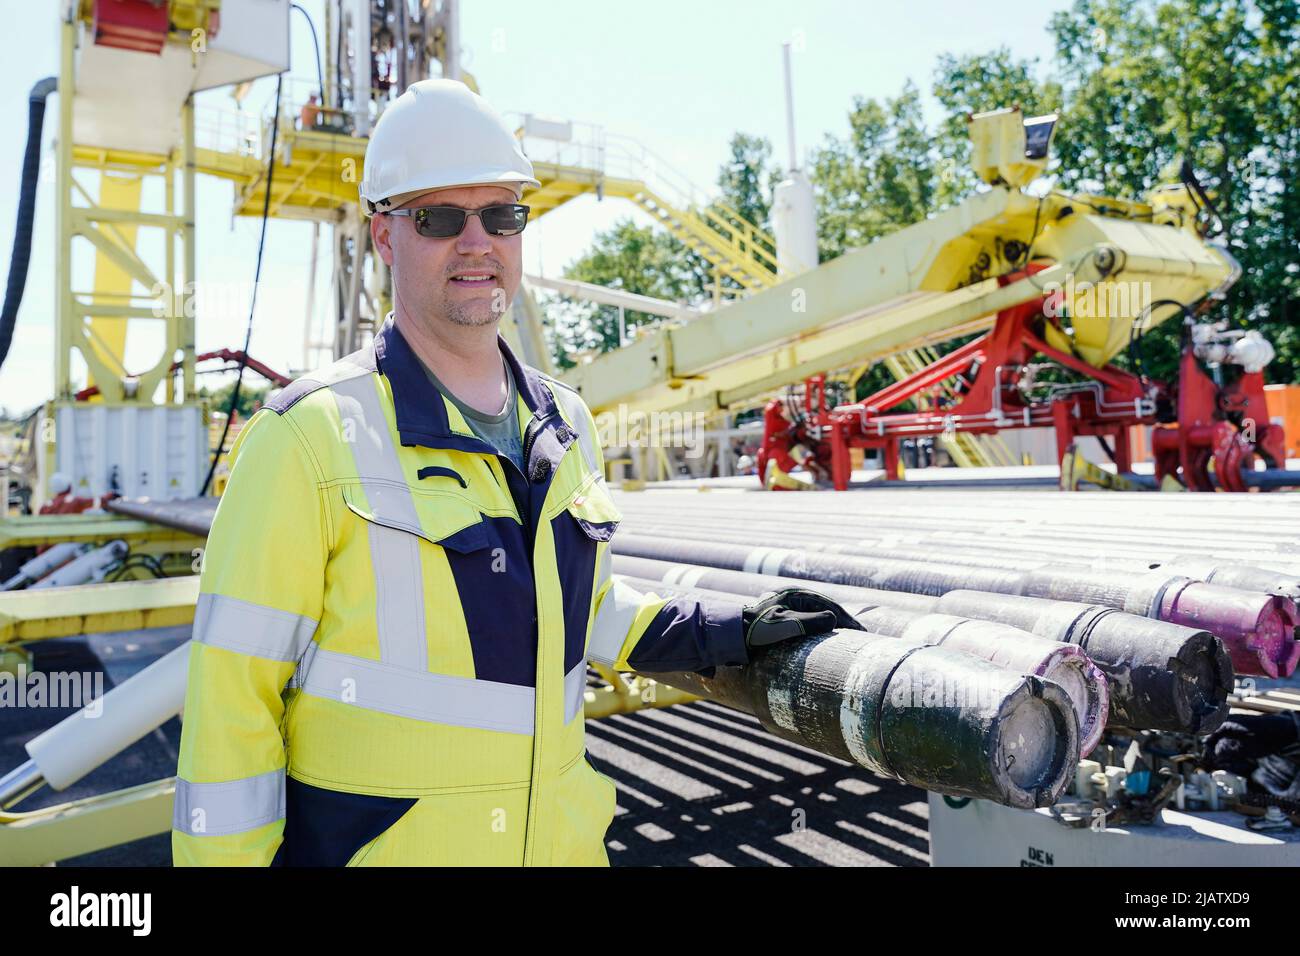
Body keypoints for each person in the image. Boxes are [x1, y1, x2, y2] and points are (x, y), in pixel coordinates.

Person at [172, 78, 858, 867]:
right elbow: (231, 710)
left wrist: (726, 631)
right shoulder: (307, 439)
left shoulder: (563, 423)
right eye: (438, 218)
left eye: (501, 215)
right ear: (385, 236)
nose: (477, 242)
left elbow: (584, 609)